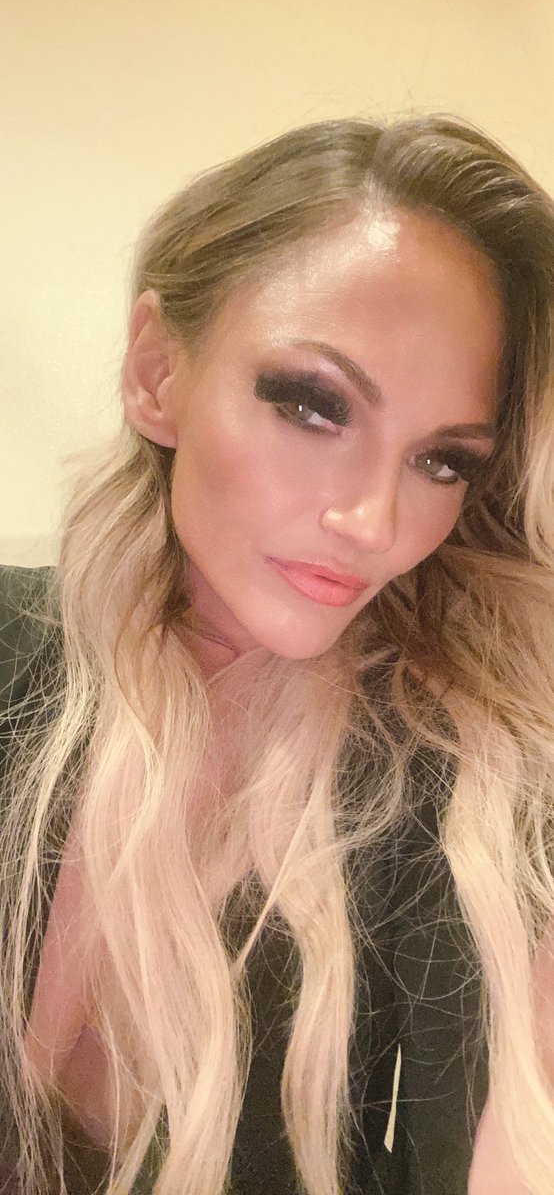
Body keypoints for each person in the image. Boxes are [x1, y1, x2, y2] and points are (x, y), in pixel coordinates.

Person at [0, 113, 553, 1195]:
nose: (373, 521)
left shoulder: (462, 790)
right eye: (312, 405)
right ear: (156, 372)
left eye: (442, 461)